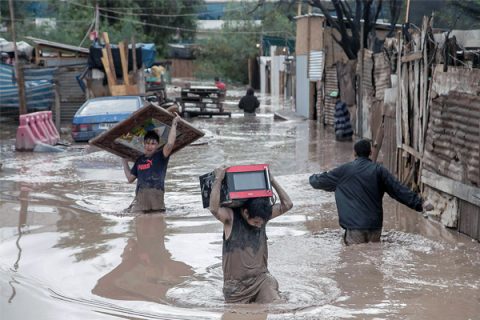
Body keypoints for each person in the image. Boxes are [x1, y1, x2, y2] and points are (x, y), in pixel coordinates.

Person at [309, 139, 433, 246]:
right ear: (371, 153)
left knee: (355, 263)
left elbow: (318, 182)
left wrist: (312, 177)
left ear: (354, 153)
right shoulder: (379, 171)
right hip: (375, 228)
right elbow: (398, 190)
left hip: (354, 229)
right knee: (374, 260)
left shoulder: (343, 171)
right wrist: (420, 203)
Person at [208, 166, 293, 304]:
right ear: (246, 212)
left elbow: (287, 204)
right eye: (256, 222)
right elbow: (214, 208)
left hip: (261, 280)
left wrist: (272, 180)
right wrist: (218, 180)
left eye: (262, 223)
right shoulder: (230, 218)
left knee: (277, 307)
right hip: (236, 288)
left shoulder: (262, 216)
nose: (260, 225)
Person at [122, 114, 181, 213]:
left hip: (156, 198)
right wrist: (124, 162)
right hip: (140, 199)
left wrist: (174, 124)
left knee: (157, 221)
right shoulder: (139, 160)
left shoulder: (161, 156)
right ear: (144, 144)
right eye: (147, 143)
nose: (149, 146)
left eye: (153, 144)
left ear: (157, 145)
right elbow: (130, 179)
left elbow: (170, 144)